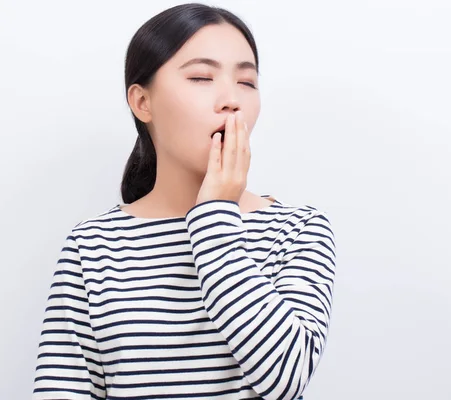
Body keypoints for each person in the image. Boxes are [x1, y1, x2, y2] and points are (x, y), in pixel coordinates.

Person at [32, 4, 336, 400]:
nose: (231, 100)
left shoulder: (298, 230)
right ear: (142, 102)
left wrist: (215, 217)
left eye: (247, 82)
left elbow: (285, 379)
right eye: (200, 77)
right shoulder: (91, 246)